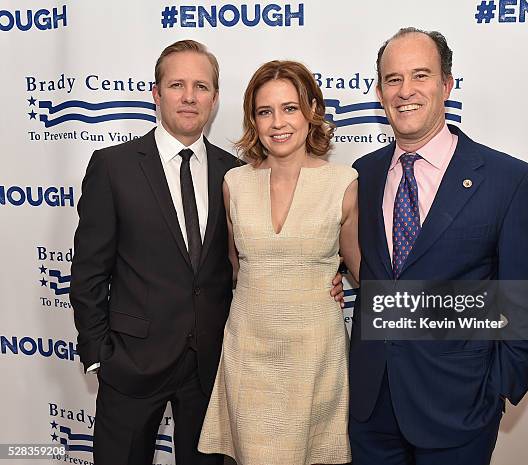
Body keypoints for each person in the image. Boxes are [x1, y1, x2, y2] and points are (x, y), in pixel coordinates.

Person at [70, 40, 342, 465]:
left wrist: (327, 275)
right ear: (156, 93)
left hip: (213, 370)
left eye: (201, 86)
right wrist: (99, 356)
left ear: (215, 99)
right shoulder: (113, 166)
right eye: (177, 84)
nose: (189, 96)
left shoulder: (233, 173)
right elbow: (88, 271)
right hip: (131, 365)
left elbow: (248, 261)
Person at [348, 28, 528, 465]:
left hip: (459, 407)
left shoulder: (508, 181)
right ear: (379, 91)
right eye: (392, 79)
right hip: (372, 407)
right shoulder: (361, 175)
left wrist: (496, 387)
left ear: (446, 84)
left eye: (420, 76)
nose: (405, 91)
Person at [198, 60, 360, 465]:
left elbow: (362, 270)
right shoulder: (234, 183)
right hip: (248, 353)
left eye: (289, 108)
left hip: (314, 356)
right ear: (253, 120)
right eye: (264, 111)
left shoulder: (343, 182)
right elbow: (234, 266)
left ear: (312, 110)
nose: (277, 122)